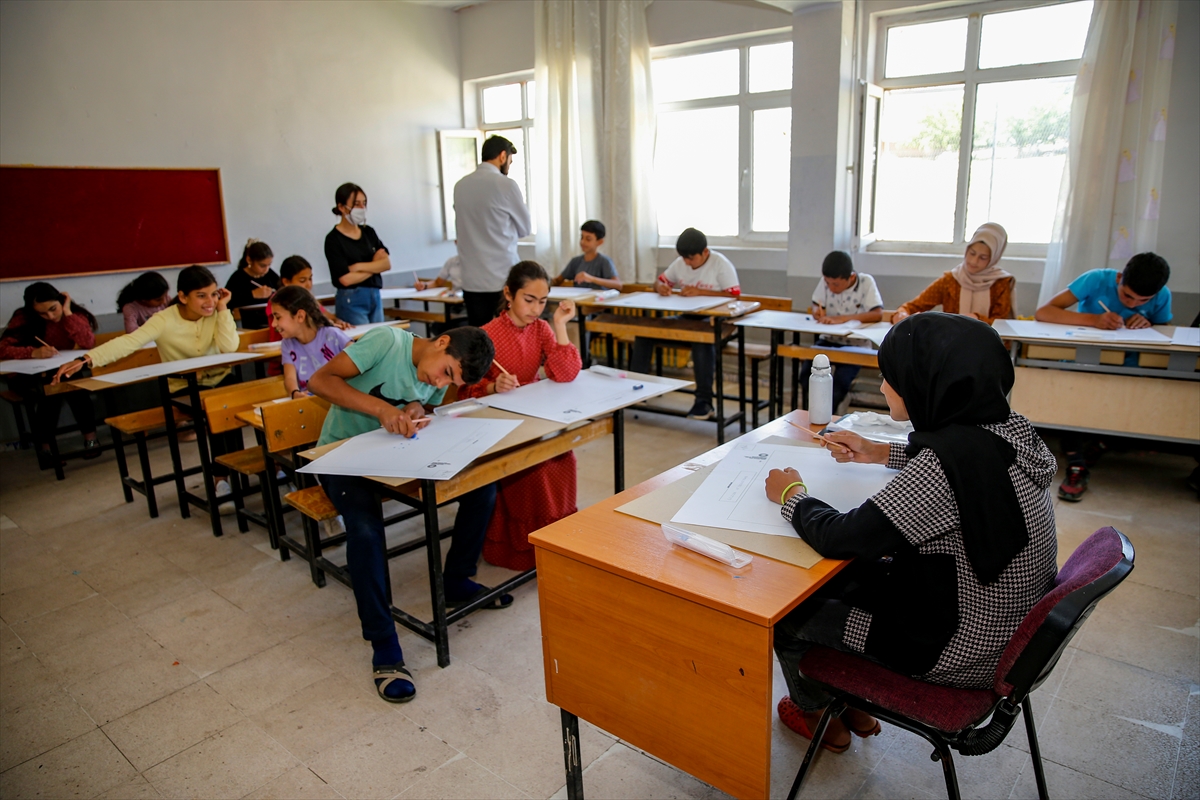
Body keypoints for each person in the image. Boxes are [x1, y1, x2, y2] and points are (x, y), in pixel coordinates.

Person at [764, 312, 1058, 754]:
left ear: (927, 383)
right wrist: (884, 451)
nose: (883, 386)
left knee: (788, 614)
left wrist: (791, 494)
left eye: (890, 377)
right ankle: (847, 703)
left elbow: (841, 536)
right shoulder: (1011, 430)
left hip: (953, 649)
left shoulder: (940, 471)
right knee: (850, 578)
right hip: (1004, 632)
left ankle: (817, 712)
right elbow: (963, 462)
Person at [306, 325, 504, 704]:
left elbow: (424, 402)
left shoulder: (435, 374)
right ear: (441, 342)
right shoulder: (387, 341)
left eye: (452, 380)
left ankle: (457, 580)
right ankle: (384, 644)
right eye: (446, 371)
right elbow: (320, 380)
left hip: (394, 453)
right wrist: (382, 409)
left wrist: (415, 408)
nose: (440, 380)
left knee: (483, 488)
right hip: (343, 455)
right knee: (364, 530)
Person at [54, 266, 242, 499]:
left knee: (243, 406)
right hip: (185, 388)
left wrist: (223, 309)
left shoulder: (218, 313)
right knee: (218, 413)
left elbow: (229, 346)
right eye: (201, 296)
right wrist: (86, 358)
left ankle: (249, 469)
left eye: (214, 294)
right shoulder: (163, 319)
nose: (210, 302)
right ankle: (220, 480)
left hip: (221, 380)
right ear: (183, 297)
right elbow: (129, 342)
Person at [461, 262, 581, 571]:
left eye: (543, 302)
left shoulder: (541, 328)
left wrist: (560, 325)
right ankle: (523, 548)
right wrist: (491, 385)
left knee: (562, 457)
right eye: (529, 299)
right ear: (508, 294)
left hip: (533, 418)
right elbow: (461, 393)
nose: (536, 309)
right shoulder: (486, 335)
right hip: (498, 424)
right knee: (536, 468)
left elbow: (566, 373)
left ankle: (555, 540)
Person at [1034, 252, 1172, 501]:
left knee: (1138, 400)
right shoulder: (1095, 279)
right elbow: (1044, 312)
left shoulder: (1163, 296)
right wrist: (1093, 320)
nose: (1132, 304)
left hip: (1131, 369)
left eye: (1143, 300)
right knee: (1076, 397)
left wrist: (1149, 323)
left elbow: (1167, 332)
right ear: (1119, 278)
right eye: (1127, 295)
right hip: (1084, 362)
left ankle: (1101, 443)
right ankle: (1077, 462)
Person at [629, 227, 740, 420]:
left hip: (719, 323)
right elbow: (660, 281)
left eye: (691, 258)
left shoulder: (720, 264)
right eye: (685, 259)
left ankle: (704, 402)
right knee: (646, 332)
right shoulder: (681, 263)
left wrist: (701, 292)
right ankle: (639, 389)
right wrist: (661, 287)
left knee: (702, 340)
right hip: (689, 318)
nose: (687, 263)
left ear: (705, 252)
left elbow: (734, 295)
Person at [0, 282, 101, 460]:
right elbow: (2, 348)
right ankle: (46, 447)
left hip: (62, 371)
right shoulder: (23, 318)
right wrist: (31, 353)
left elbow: (87, 342)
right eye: (42, 313)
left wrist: (67, 313)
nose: (50, 316)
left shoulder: (74, 314)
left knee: (71, 381)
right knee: (51, 388)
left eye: (53, 308)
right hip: (28, 376)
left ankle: (90, 440)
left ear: (61, 301)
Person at [453, 135, 532, 327]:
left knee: (480, 340)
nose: (508, 167)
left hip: (471, 280)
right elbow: (525, 228)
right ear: (502, 156)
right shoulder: (506, 185)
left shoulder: (460, 185)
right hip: (501, 278)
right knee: (506, 339)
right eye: (510, 162)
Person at [799, 251, 884, 412]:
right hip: (829, 340)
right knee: (806, 375)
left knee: (840, 383)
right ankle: (811, 413)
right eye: (828, 283)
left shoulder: (866, 282)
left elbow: (877, 313)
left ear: (851, 277)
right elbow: (816, 302)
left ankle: (827, 416)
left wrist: (842, 318)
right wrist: (817, 310)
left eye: (836, 285)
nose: (831, 288)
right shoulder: (827, 280)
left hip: (856, 344)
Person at [893, 223, 1014, 325]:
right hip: (951, 347)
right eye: (972, 253)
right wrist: (902, 313)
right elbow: (915, 306)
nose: (973, 261)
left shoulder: (1001, 283)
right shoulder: (951, 280)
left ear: (994, 258)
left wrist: (978, 319)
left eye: (983, 257)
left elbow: (1002, 325)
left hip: (987, 348)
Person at [325, 182, 391, 325]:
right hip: (350, 299)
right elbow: (345, 279)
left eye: (364, 203)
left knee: (380, 340)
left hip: (375, 296)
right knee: (362, 343)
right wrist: (374, 266)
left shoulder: (368, 232)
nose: (362, 208)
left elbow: (386, 263)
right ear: (341, 207)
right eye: (356, 204)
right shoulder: (333, 239)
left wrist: (358, 266)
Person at [271, 285, 352, 398]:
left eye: (278, 317)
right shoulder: (287, 344)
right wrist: (295, 394)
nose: (273, 324)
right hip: (310, 402)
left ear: (300, 316)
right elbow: (289, 378)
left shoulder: (332, 335)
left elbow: (359, 358)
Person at [266, 256, 350, 344]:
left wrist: (339, 322)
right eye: (302, 280)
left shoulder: (306, 298)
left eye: (310, 279)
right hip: (281, 346)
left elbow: (326, 316)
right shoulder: (277, 301)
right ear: (286, 281)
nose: (308, 284)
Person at [224, 239, 280, 329]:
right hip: (246, 325)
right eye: (262, 265)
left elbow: (282, 291)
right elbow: (228, 303)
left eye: (269, 265)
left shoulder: (271, 275)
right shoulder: (237, 278)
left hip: (271, 322)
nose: (266, 269)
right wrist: (252, 295)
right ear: (249, 260)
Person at [553, 220, 622, 290]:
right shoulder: (575, 261)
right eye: (582, 237)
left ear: (600, 242)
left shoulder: (604, 261)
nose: (583, 242)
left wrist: (591, 278)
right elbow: (558, 280)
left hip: (598, 300)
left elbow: (618, 285)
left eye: (588, 239)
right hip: (578, 299)